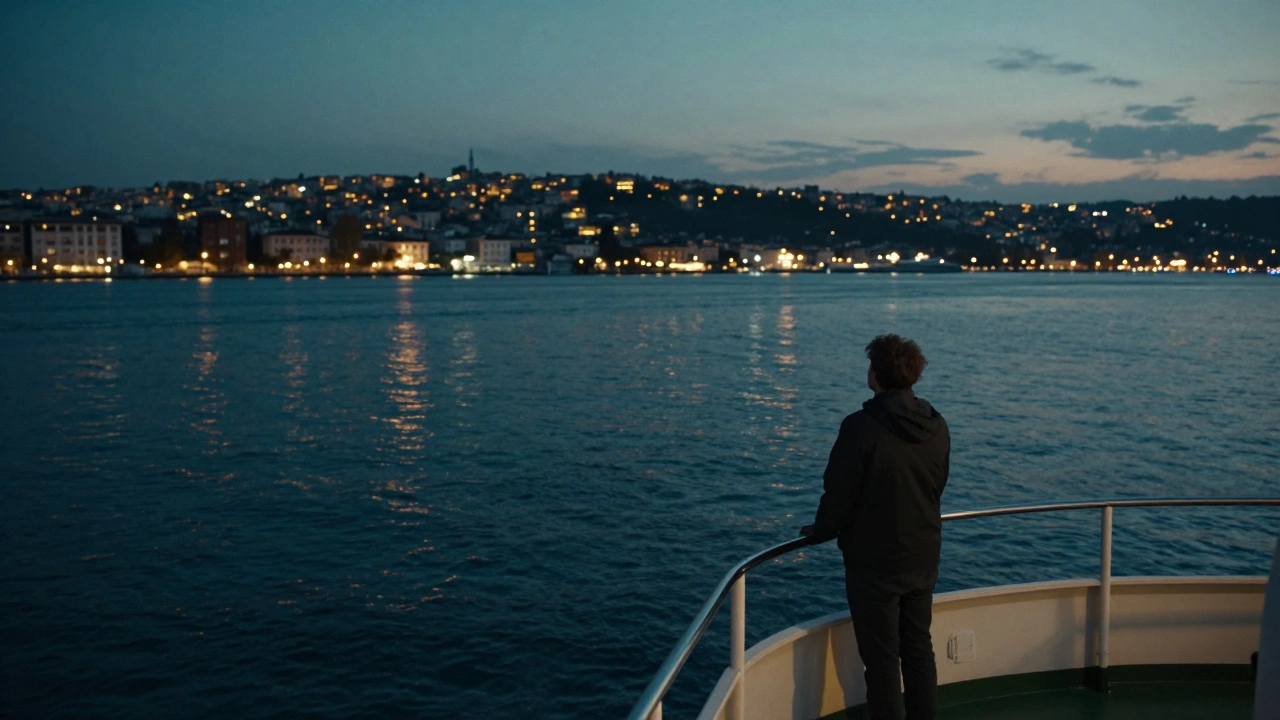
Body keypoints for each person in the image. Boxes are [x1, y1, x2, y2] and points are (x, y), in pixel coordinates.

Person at [799, 334, 950, 720]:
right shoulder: (936, 425)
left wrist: (820, 531)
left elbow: (838, 495)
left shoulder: (859, 428)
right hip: (922, 554)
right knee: (918, 650)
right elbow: (936, 484)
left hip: (875, 564)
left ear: (877, 374)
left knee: (882, 663)